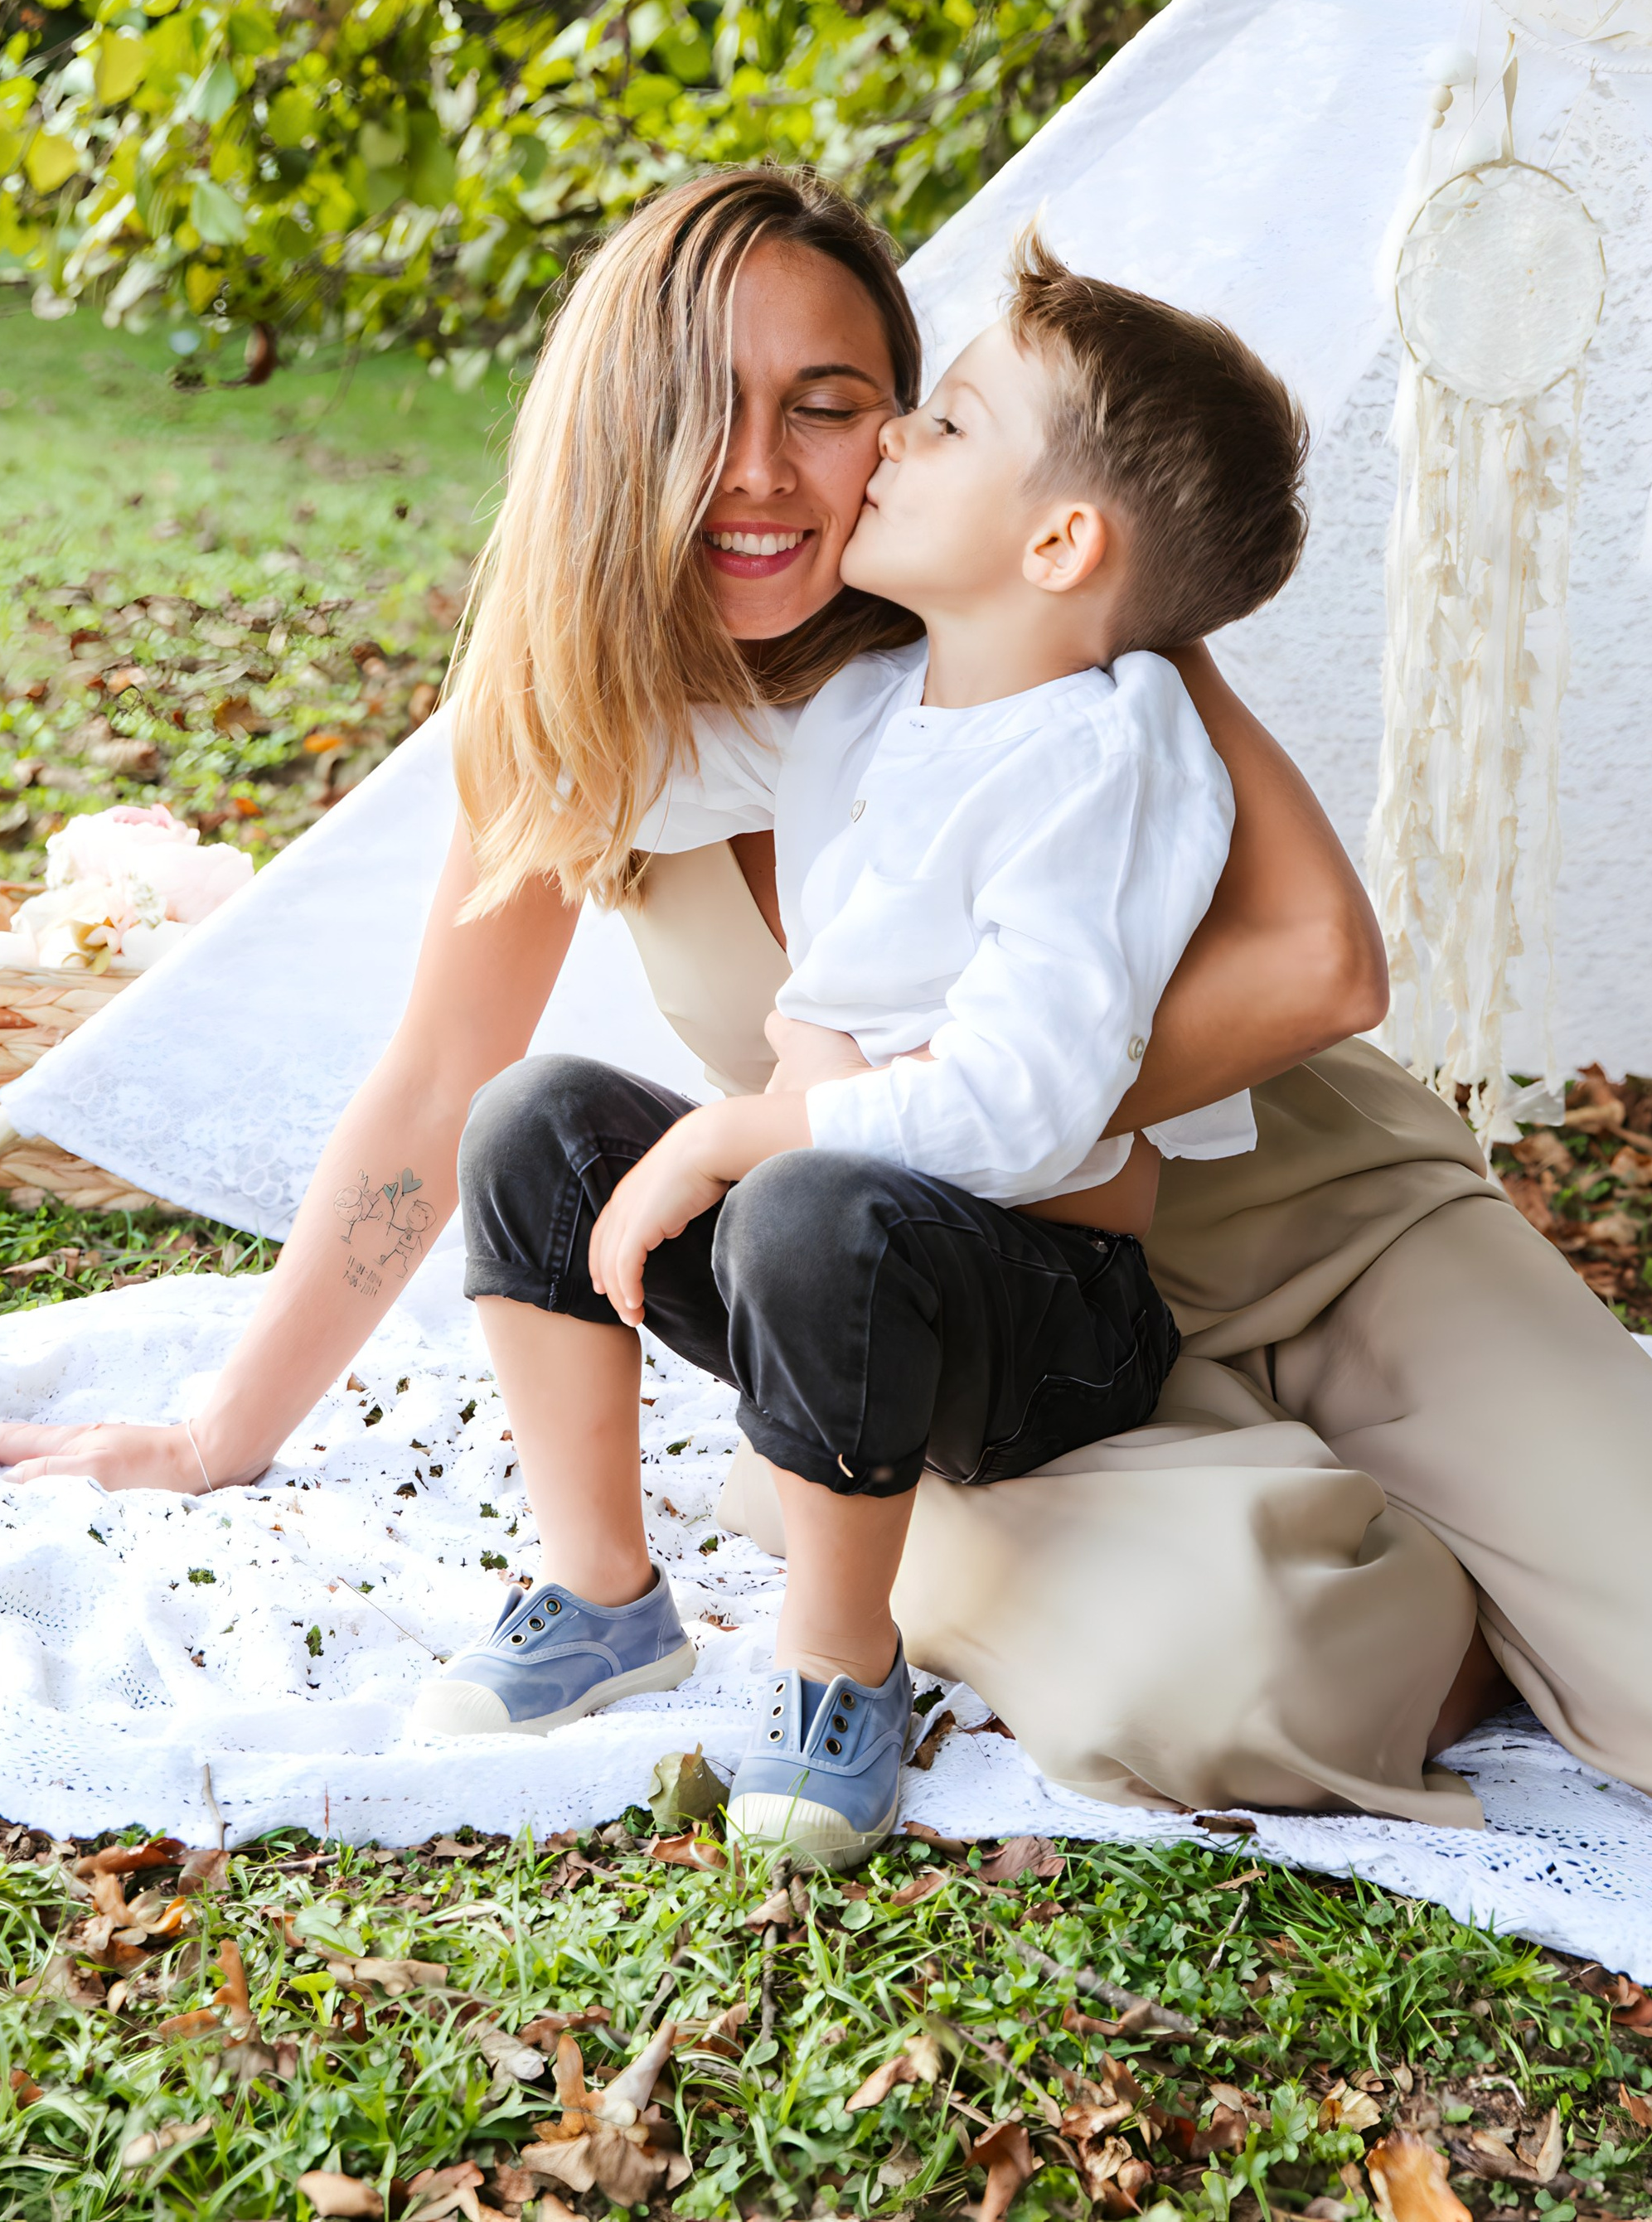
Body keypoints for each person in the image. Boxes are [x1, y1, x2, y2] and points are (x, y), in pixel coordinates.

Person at [0, 167, 1652, 1844]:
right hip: (980, 1323)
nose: (764, 468)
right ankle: (1394, 1589)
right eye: (704, 401)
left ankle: (1488, 1532)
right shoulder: (590, 725)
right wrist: (217, 1432)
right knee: (1229, 1687)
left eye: (829, 401)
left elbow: (1321, 967)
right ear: (617, 422)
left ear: (910, 432)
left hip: (1314, 1239)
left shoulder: (1029, 621)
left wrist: (960, 1101)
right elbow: (441, 1083)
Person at [412, 245, 1310, 1871]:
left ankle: (837, 1664)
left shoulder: (1104, 758)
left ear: (1055, 540)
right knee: (536, 1122)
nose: (889, 442)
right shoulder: (871, 707)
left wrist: (726, 1137)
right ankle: (605, 1594)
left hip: (1044, 1320)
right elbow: (624, 758)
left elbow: (1028, 1108)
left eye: (941, 424)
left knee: (803, 1198)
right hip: (853, 1265)